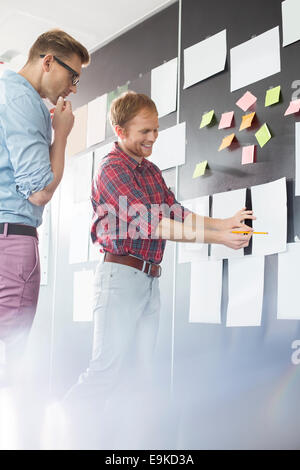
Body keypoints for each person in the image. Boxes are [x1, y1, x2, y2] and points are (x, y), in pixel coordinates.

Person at [64, 91, 255, 447]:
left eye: (156, 130)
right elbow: (152, 224)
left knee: (139, 375)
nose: (153, 138)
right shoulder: (111, 170)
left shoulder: (149, 171)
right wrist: (217, 238)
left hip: (149, 280)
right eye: (145, 131)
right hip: (119, 279)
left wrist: (223, 224)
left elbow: (175, 212)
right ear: (120, 131)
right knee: (104, 372)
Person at [0, 29, 90, 382]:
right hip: (12, 242)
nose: (73, 88)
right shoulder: (23, 99)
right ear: (48, 61)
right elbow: (40, 191)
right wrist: (62, 133)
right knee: (9, 364)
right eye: (73, 76)